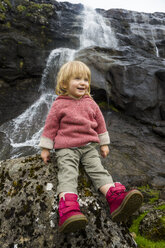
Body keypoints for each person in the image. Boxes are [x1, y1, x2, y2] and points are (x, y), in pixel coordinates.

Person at [39, 61, 143, 233]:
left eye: (86, 79)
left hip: (88, 147)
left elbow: (100, 124)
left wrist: (104, 143)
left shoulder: (90, 102)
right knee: (68, 172)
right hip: (66, 148)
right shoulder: (59, 104)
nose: (83, 83)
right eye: (77, 79)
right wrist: (45, 149)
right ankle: (68, 208)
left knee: (98, 170)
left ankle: (114, 199)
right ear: (64, 84)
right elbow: (50, 127)